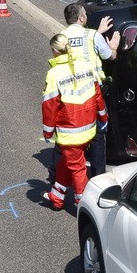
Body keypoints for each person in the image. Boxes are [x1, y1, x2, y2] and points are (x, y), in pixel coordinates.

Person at [42, 34, 108, 211]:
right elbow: (97, 94)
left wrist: (48, 132)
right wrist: (103, 117)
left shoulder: (54, 74)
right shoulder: (86, 65)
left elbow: (50, 106)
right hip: (89, 127)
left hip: (70, 131)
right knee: (68, 161)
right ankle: (57, 195)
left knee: (77, 168)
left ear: (55, 51)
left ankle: (85, 205)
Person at [60, 3, 119, 178]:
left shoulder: (61, 36)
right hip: (91, 94)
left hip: (68, 93)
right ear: (81, 18)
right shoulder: (92, 36)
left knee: (67, 133)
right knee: (98, 135)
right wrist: (114, 45)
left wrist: (97, 33)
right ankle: (98, 176)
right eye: (84, 14)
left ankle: (59, 174)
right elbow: (110, 56)